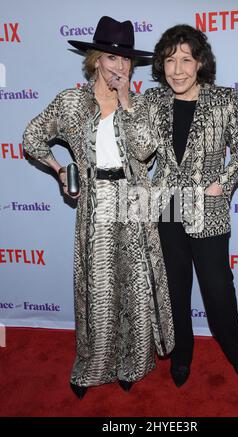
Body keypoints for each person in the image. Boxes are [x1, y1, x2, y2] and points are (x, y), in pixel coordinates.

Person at [23, 16, 174, 399]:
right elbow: (32, 137)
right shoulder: (72, 102)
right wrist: (59, 170)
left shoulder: (140, 105)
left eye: (126, 61)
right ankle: (93, 366)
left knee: (135, 287)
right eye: (111, 57)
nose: (119, 67)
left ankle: (132, 363)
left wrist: (126, 103)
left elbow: (144, 150)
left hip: (133, 200)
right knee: (99, 288)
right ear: (94, 59)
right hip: (95, 203)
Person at [126, 24, 238, 387]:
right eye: (169, 60)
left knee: (218, 288)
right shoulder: (153, 101)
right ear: (161, 66)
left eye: (186, 59)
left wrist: (223, 185)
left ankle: (234, 348)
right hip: (167, 206)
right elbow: (140, 151)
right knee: (174, 289)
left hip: (209, 209)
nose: (177, 69)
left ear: (200, 63)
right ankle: (182, 352)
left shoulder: (224, 100)